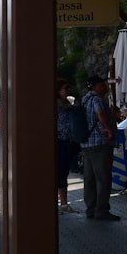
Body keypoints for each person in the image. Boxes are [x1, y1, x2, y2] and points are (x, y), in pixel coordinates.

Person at [81, 75, 120, 221]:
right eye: (102, 84)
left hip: (87, 144)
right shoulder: (97, 99)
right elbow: (100, 113)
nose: (105, 86)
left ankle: (90, 208)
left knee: (89, 178)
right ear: (96, 86)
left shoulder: (85, 99)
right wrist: (108, 128)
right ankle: (102, 209)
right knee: (103, 177)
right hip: (99, 143)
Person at [55, 79, 76, 213]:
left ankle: (64, 202)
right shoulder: (56, 105)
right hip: (59, 141)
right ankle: (62, 202)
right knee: (60, 172)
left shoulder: (67, 103)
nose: (68, 90)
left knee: (64, 172)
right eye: (65, 88)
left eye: (68, 88)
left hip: (68, 141)